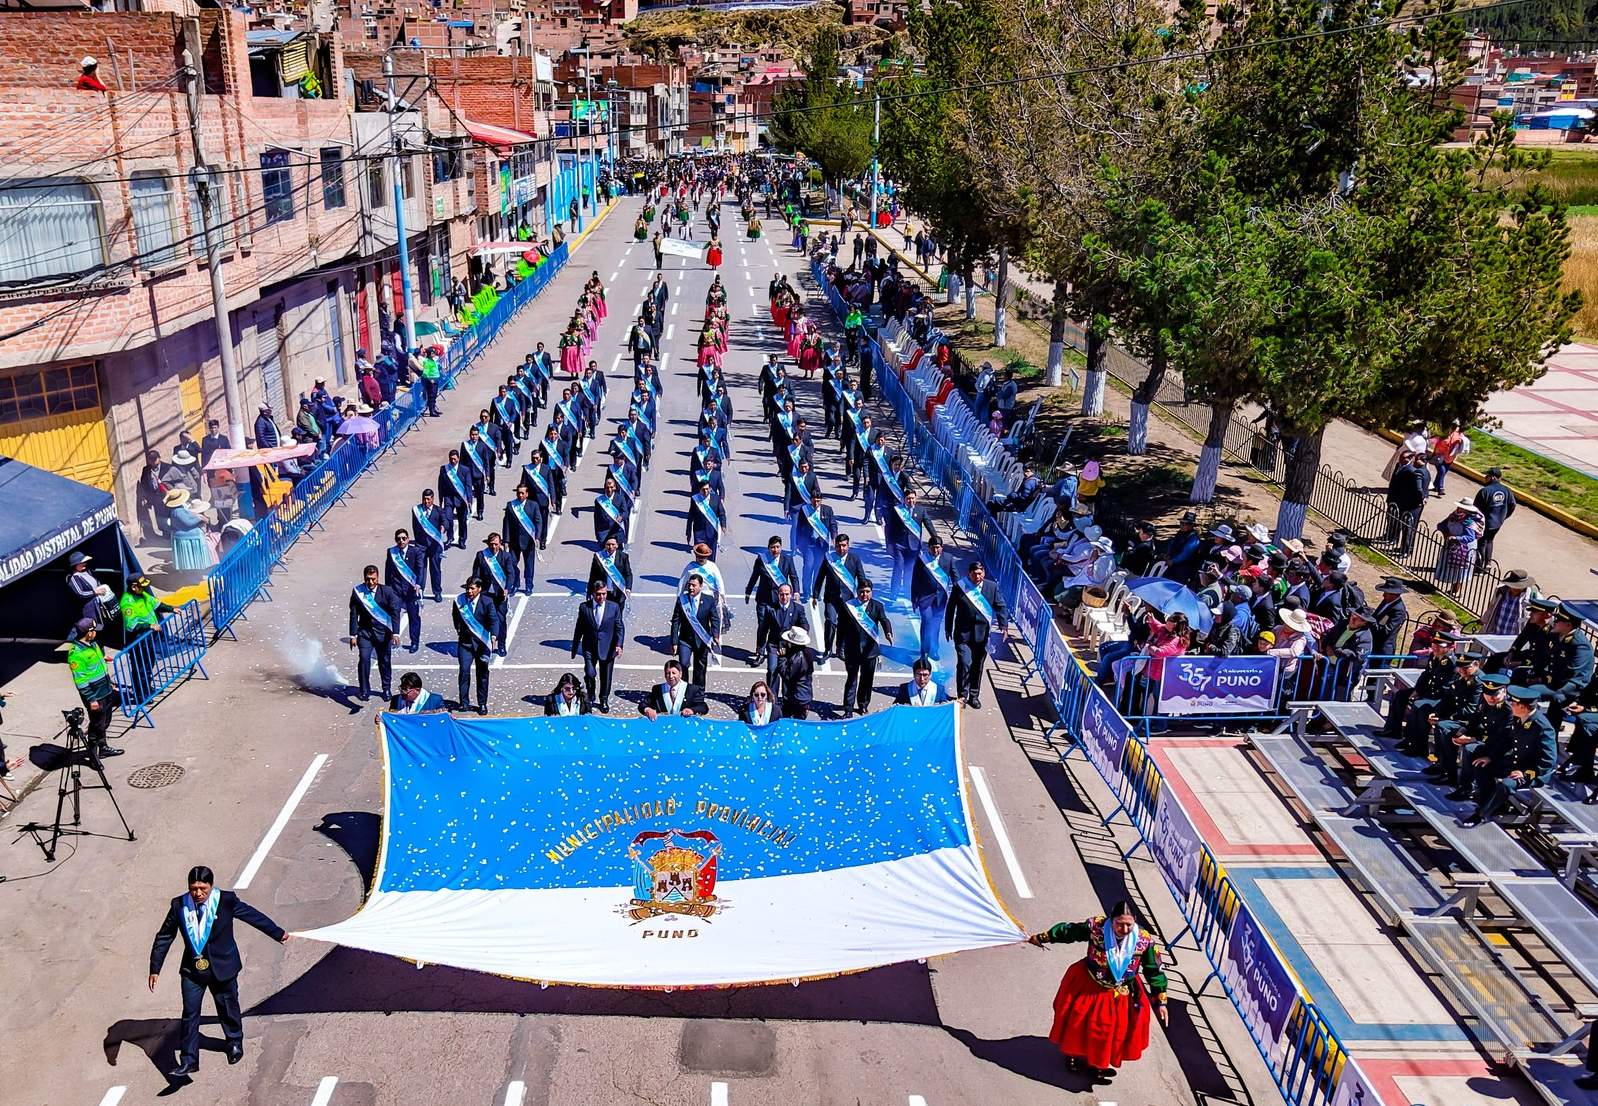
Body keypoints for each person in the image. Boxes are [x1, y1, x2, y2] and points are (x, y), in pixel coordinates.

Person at [148, 865, 289, 1079]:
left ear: (211, 886)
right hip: (192, 970)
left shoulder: (225, 901)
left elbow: (252, 916)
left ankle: (233, 1042)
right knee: (190, 1013)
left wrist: (277, 933)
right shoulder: (179, 905)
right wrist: (155, 968)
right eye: (194, 888)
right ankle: (189, 1060)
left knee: (227, 1007)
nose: (198, 893)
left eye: (202, 888)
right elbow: (165, 936)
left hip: (223, 967)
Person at [1028, 900, 1168, 1078]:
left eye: (1129, 925)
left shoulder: (1144, 940)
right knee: (1078, 1023)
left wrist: (1161, 1001)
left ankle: (1097, 1064)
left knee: (1109, 1032)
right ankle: (1073, 1056)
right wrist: (1044, 937)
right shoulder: (1096, 927)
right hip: (1090, 984)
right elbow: (1070, 932)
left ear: (1135, 921)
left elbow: (1153, 970)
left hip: (1119, 992)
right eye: (1119, 924)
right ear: (1111, 919)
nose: (1124, 930)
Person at [1461, 686, 1557, 826]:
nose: (1510, 705)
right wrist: (1490, 758)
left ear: (1523, 707)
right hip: (1516, 762)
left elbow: (1549, 759)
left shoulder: (1542, 727)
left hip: (1532, 771)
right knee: (1481, 766)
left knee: (1506, 784)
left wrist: (1526, 773)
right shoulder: (1519, 719)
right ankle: (1488, 803)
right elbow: (1507, 741)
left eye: (1514, 703)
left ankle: (1481, 815)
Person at [947, 561, 1010, 709]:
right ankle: (962, 695)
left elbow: (1000, 606)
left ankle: (974, 696)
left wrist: (1004, 625)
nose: (977, 576)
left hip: (982, 636)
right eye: (974, 573)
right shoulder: (960, 587)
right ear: (969, 574)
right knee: (964, 663)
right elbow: (951, 608)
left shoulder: (991, 587)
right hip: (963, 635)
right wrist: (947, 627)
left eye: (980, 573)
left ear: (984, 573)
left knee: (977, 666)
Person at [67, 619, 123, 760]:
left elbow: (98, 665)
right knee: (97, 725)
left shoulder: (92, 644)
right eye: (94, 630)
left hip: (106, 690)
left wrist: (109, 680)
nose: (96, 632)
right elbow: (81, 681)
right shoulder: (76, 654)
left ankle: (103, 748)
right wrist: (91, 699)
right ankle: (93, 756)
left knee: (105, 721)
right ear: (88, 633)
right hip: (95, 696)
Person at [837, 579, 892, 716]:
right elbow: (841, 628)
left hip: (870, 651)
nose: (864, 594)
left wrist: (888, 632)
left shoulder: (877, 606)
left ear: (871, 593)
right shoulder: (848, 606)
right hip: (852, 650)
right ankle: (848, 709)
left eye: (867, 592)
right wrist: (839, 646)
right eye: (862, 592)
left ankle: (863, 705)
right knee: (851, 680)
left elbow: (884, 620)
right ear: (857, 592)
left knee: (867, 681)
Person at [348, 564, 401, 702]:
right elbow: (353, 614)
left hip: (383, 634)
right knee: (364, 659)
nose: (371, 582)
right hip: (365, 633)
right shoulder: (358, 592)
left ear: (378, 577)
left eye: (373, 579)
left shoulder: (387, 591)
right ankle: (364, 690)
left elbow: (395, 612)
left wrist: (395, 632)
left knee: (384, 661)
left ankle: (386, 688)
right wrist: (353, 635)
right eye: (368, 579)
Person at [745, 536, 800, 664]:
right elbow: (754, 576)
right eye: (772, 547)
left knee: (780, 626)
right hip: (763, 599)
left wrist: (796, 591)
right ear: (768, 548)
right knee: (763, 626)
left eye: (777, 547)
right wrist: (748, 591)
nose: (775, 550)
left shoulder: (787, 560)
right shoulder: (762, 559)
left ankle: (780, 649)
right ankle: (760, 652)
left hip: (779, 600)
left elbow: (794, 576)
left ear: (781, 547)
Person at [572, 581, 625, 712]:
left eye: (604, 594)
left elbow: (620, 628)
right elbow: (579, 628)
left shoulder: (614, 607)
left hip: (608, 647)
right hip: (589, 647)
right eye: (598, 594)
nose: (601, 597)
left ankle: (604, 699)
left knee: (606, 676)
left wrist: (619, 644)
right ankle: (591, 692)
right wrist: (574, 647)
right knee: (590, 673)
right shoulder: (584, 608)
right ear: (592, 594)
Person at [452, 576, 501, 714]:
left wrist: (494, 635)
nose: (469, 591)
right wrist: (459, 630)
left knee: (482, 674)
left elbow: (494, 621)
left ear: (479, 589)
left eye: (472, 588)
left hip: (482, 644)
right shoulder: (459, 600)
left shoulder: (487, 602)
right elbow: (456, 617)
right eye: (468, 588)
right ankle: (464, 703)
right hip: (465, 643)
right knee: (464, 672)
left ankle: (482, 704)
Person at [912, 533, 956, 662]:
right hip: (924, 599)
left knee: (936, 624)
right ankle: (924, 651)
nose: (935, 550)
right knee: (926, 622)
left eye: (938, 547)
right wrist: (914, 599)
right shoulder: (921, 560)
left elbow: (956, 578)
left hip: (940, 600)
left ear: (942, 548)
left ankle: (934, 649)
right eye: (933, 547)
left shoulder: (949, 559)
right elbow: (915, 581)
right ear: (929, 548)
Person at [672, 573, 720, 688]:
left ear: (701, 586)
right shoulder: (682, 600)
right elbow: (675, 621)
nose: (691, 588)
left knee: (700, 668)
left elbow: (714, 619)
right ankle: (683, 691)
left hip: (702, 639)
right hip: (685, 640)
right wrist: (674, 642)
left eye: (694, 585)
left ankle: (698, 694)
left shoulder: (709, 600)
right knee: (683, 665)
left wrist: (716, 635)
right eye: (689, 585)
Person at [384, 529, 425, 653]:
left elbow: (420, 569)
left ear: (408, 539)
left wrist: (418, 584)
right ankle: (394, 637)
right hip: (396, 590)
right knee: (394, 614)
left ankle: (414, 642)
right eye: (398, 539)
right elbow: (388, 571)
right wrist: (387, 589)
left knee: (414, 617)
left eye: (403, 538)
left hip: (412, 591)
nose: (401, 541)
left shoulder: (416, 551)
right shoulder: (392, 552)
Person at [1473, 466, 1517, 570]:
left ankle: (1479, 566)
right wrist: (1504, 517)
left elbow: (1476, 508)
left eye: (1487, 476)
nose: (1485, 477)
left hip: (1485, 522)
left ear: (1492, 477)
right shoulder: (1506, 490)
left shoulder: (1485, 491)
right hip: (1497, 523)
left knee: (1482, 542)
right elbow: (1513, 505)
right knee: (1490, 540)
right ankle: (1488, 564)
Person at [641, 658, 708, 719]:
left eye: (674, 673)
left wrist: (692, 710)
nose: (671, 676)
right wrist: (647, 709)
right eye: (668, 673)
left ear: (680, 674)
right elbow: (643, 704)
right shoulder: (657, 689)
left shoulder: (692, 689)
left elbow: (703, 707)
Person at [777, 627, 816, 719]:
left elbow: (786, 675)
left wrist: (782, 658)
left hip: (797, 698)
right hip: (803, 695)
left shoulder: (797, 659)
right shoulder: (807, 653)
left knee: (789, 720)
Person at [437, 450, 473, 548]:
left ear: (458, 458)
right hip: (448, 498)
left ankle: (462, 539)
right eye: (451, 459)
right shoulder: (444, 469)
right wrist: (441, 499)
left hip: (461, 499)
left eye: (454, 459)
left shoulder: (465, 470)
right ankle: (450, 538)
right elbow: (440, 485)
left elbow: (468, 485)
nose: (453, 461)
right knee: (448, 519)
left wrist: (469, 500)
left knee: (462, 521)